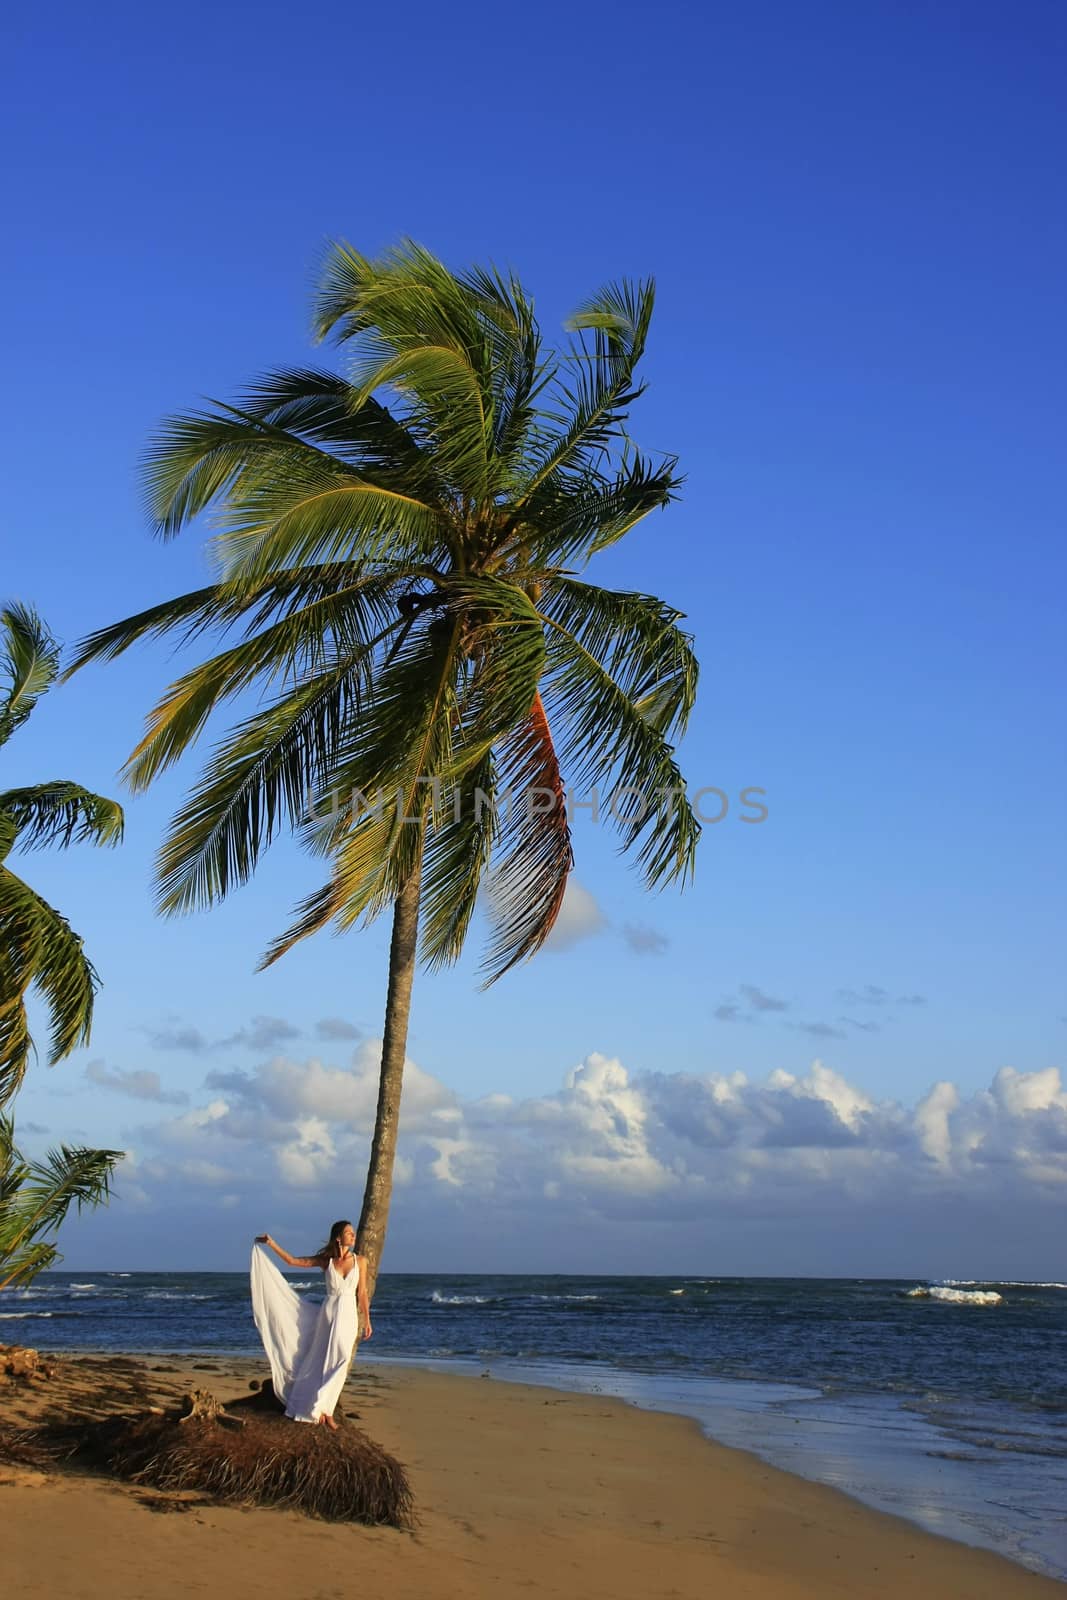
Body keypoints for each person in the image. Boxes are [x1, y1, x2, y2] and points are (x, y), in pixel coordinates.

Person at [251, 1219, 372, 1429]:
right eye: (348, 1233)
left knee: (342, 1360)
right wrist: (271, 1244)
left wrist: (367, 1319)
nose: (353, 1236)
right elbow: (292, 1261)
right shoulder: (327, 1261)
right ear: (338, 1237)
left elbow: (361, 1292)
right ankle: (322, 1411)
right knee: (321, 1359)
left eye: (353, 1233)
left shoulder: (360, 1261)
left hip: (348, 1315)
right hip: (329, 1312)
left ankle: (326, 1408)